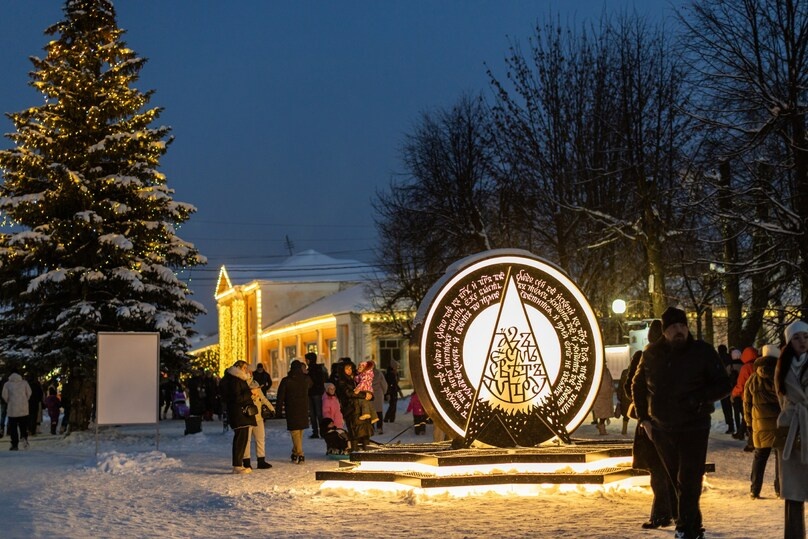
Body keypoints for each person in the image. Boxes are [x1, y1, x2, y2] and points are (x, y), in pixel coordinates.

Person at [632, 306, 731, 539]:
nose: (679, 330)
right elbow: (637, 385)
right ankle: (692, 525)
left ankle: (685, 529)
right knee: (676, 478)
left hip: (694, 426)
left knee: (689, 478)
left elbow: (724, 384)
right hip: (662, 428)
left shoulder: (702, 352)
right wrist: (644, 419)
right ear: (665, 331)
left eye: (682, 326)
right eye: (673, 327)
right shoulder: (651, 355)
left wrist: (700, 398)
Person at [625, 321, 676, 530]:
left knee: (657, 470)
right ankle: (670, 512)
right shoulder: (675, 357)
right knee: (669, 469)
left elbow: (630, 388)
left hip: (651, 423)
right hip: (671, 421)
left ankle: (661, 514)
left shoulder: (642, 357)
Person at [774, 319, 808, 539]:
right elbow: (781, 399)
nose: (802, 341)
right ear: (789, 342)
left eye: (805, 336)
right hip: (791, 430)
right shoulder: (781, 368)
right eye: (796, 337)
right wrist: (789, 416)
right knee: (794, 492)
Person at [743, 344, 781, 499]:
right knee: (781, 457)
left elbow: (746, 403)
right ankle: (780, 488)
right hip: (779, 422)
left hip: (760, 424)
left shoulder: (753, 379)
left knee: (760, 456)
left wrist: (749, 423)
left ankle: (755, 489)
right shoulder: (781, 376)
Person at [218, 360, 257, 474]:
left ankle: (238, 464)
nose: (246, 370)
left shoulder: (235, 379)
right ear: (239, 368)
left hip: (241, 414)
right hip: (239, 414)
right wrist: (250, 392)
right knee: (240, 439)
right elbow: (237, 398)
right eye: (245, 368)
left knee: (242, 438)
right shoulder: (235, 380)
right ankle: (237, 465)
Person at [276, 359, 313, 464]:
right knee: (299, 432)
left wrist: (278, 411)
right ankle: (295, 452)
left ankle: (300, 454)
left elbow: (280, 396)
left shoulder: (286, 380)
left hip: (291, 408)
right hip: (303, 408)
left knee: (295, 432)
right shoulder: (306, 379)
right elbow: (311, 384)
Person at [335, 359, 374, 452]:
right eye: (347, 368)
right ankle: (355, 453)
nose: (350, 370)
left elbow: (366, 387)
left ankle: (367, 452)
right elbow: (348, 393)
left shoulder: (356, 378)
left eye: (351, 368)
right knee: (355, 434)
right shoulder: (342, 381)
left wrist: (370, 395)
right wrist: (364, 395)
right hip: (351, 410)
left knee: (365, 433)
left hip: (361, 409)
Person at [243, 379, 274, 470]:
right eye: (254, 389)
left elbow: (264, 399)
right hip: (248, 419)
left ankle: (261, 460)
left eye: (257, 388)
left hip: (259, 418)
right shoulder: (245, 393)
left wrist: (271, 409)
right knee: (247, 440)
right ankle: (246, 461)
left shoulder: (258, 391)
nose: (256, 390)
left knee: (260, 439)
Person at [732, 346, 759, 449]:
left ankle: (751, 442)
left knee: (749, 419)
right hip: (759, 397)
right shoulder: (758, 365)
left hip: (748, 397)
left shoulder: (746, 368)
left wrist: (734, 394)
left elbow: (741, 384)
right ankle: (742, 434)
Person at [1, 368, 32, 451]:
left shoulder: (7, 384)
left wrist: (9, 401)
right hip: (23, 409)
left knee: (13, 428)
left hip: (12, 409)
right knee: (23, 426)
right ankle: (24, 439)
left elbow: (4, 395)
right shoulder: (24, 383)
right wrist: (25, 400)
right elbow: (29, 393)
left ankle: (14, 444)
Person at [305, 352, 326, 439]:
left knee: (317, 413)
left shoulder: (315, 369)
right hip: (314, 393)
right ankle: (318, 432)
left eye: (307, 359)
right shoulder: (316, 368)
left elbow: (318, 380)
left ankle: (319, 431)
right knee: (315, 414)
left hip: (315, 393)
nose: (306, 361)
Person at [717, 344, 736, 435]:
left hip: (722, 387)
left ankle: (730, 425)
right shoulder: (730, 357)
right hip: (732, 386)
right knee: (735, 408)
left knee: (726, 408)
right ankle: (739, 426)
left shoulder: (718, 359)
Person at [592, 364, 615, 435]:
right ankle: (602, 428)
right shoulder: (599, 372)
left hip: (606, 396)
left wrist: (611, 389)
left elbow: (610, 381)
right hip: (600, 396)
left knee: (605, 414)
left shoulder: (606, 371)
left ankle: (601, 427)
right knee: (602, 414)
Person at [371, 360, 388, 434]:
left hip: (370, 395)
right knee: (379, 412)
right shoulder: (379, 373)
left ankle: (371, 428)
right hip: (378, 394)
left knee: (371, 412)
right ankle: (379, 427)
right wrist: (384, 392)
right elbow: (384, 384)